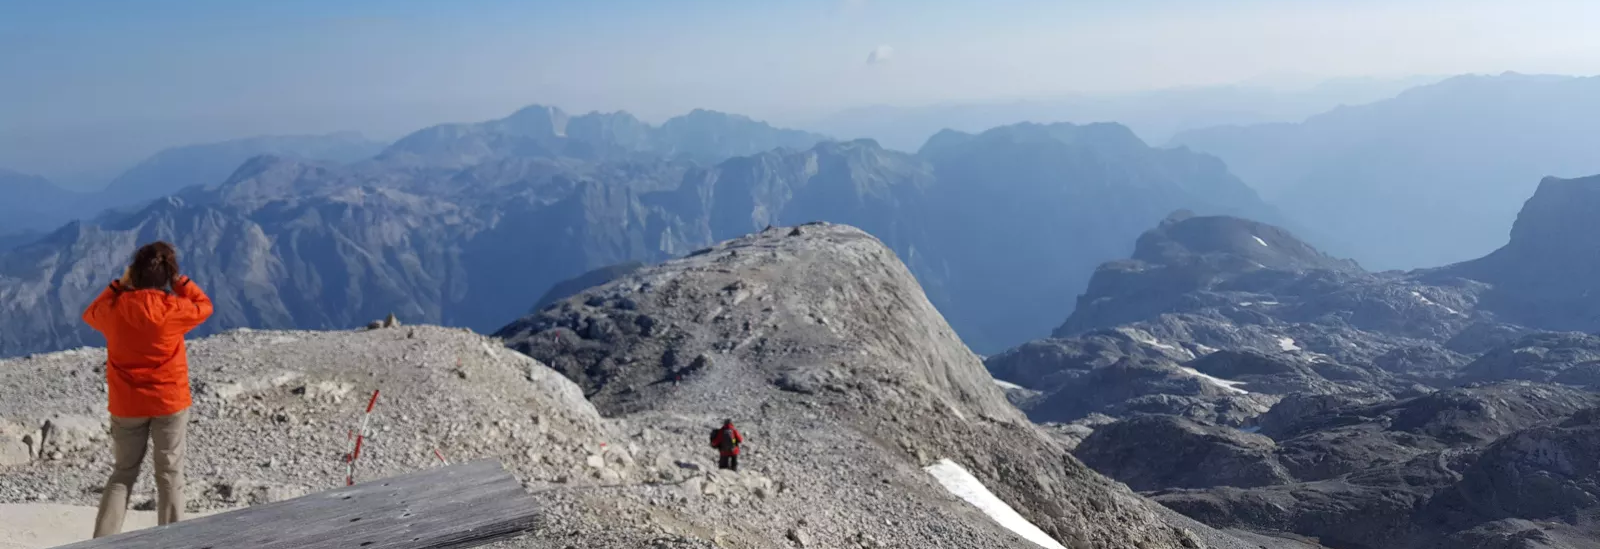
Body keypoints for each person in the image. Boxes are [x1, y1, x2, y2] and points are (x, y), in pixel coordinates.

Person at [82, 241, 213, 537]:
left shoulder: (114, 310)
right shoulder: (174, 309)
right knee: (169, 476)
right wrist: (180, 281)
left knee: (123, 474)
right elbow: (205, 306)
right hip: (169, 401)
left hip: (127, 405)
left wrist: (118, 285)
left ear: (134, 275)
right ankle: (172, 542)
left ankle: (101, 543)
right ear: (166, 276)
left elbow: (90, 313)